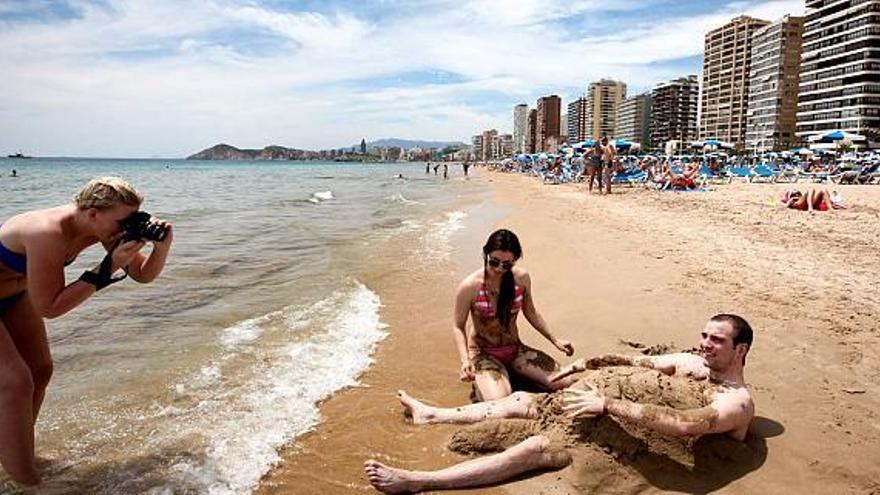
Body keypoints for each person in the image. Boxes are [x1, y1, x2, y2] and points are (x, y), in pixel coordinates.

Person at [365, 314, 755, 493]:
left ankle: (420, 482)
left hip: (631, 445)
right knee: (522, 400)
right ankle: (432, 415)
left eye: (716, 340)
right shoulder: (690, 363)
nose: (705, 343)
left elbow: (687, 424)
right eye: (704, 335)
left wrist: (606, 405)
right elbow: (640, 362)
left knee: (536, 447)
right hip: (599, 410)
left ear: (741, 349)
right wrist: (587, 364)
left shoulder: (736, 401)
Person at [0, 177, 173, 487]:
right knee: (14, 382)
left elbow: (142, 275)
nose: (126, 226)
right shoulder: (45, 232)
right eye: (124, 220)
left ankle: (16, 452)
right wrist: (105, 269)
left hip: (12, 295)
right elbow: (49, 308)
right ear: (93, 212)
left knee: (40, 370)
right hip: (21, 297)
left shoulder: (101, 227)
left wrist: (162, 246)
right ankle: (28, 483)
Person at [452, 229, 576, 403]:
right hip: (484, 354)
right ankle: (488, 379)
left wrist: (555, 340)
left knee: (567, 382)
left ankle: (512, 374)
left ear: (514, 260)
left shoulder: (521, 279)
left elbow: (531, 312)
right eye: (494, 262)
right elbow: (458, 326)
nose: (499, 269)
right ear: (485, 254)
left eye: (506, 264)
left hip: (516, 349)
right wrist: (465, 361)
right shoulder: (469, 287)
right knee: (500, 402)